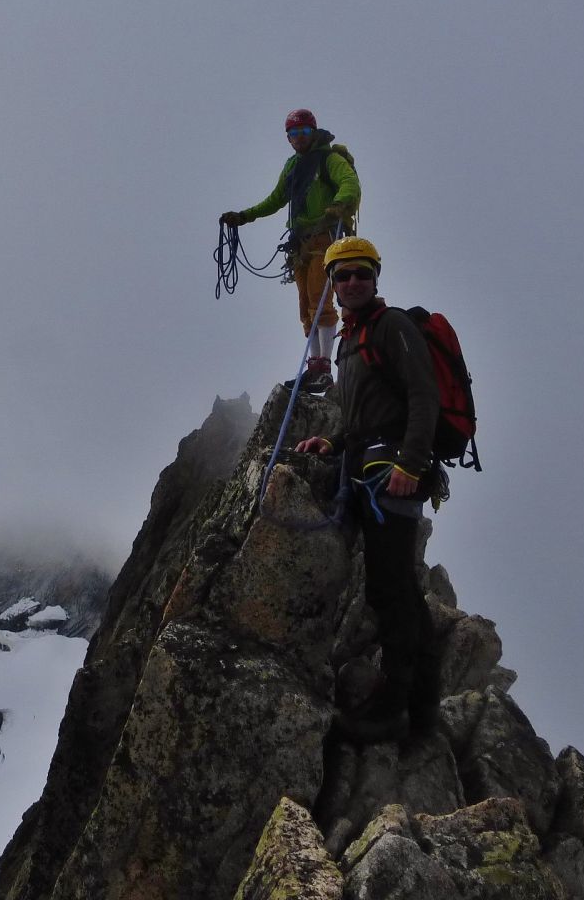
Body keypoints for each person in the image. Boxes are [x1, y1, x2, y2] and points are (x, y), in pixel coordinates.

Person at [293, 236, 441, 742]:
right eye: (343, 276)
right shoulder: (348, 340)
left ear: (376, 278)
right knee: (401, 590)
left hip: (393, 473)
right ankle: (423, 710)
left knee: (388, 589)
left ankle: (391, 709)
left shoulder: (391, 326)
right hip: (366, 467)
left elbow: (425, 397)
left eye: (361, 273)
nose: (352, 282)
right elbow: (359, 415)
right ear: (332, 286)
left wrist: (412, 463)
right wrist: (331, 441)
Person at [221, 109, 360, 388]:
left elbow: (349, 183)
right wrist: (245, 216)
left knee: (319, 297)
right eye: (293, 134)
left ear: (313, 132)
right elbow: (276, 199)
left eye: (303, 133)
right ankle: (314, 366)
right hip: (300, 243)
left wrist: (338, 206)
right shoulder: (292, 166)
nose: (298, 139)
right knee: (305, 305)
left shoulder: (329, 159)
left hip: (325, 237)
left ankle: (324, 367)